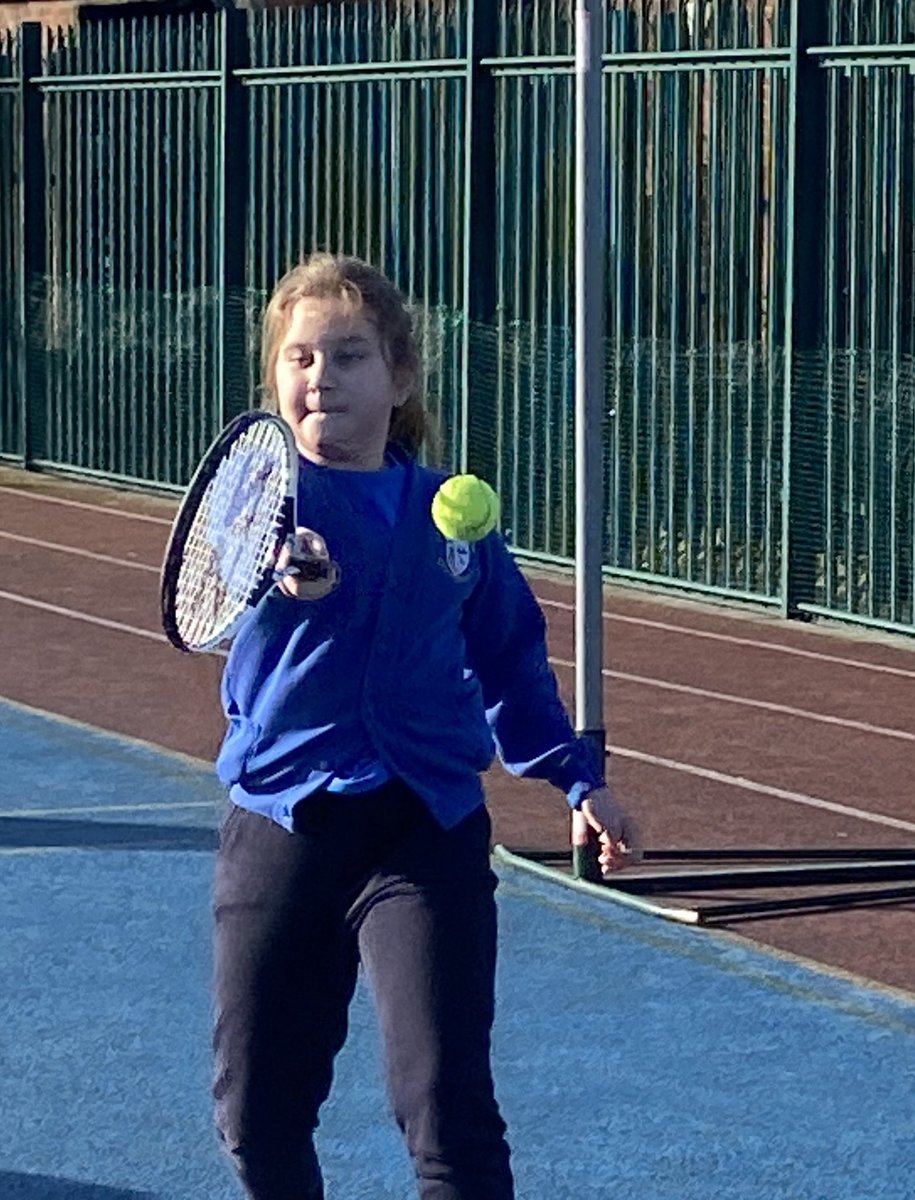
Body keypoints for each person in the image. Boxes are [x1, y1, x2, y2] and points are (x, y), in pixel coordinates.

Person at [211, 251, 641, 1200]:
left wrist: (578, 777)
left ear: (399, 379)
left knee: (447, 1110)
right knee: (257, 1113)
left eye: (351, 356)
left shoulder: (455, 519)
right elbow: (222, 580)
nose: (322, 376)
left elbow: (510, 660)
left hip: (425, 828)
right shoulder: (256, 500)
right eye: (301, 358)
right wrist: (281, 568)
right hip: (284, 827)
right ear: (276, 378)